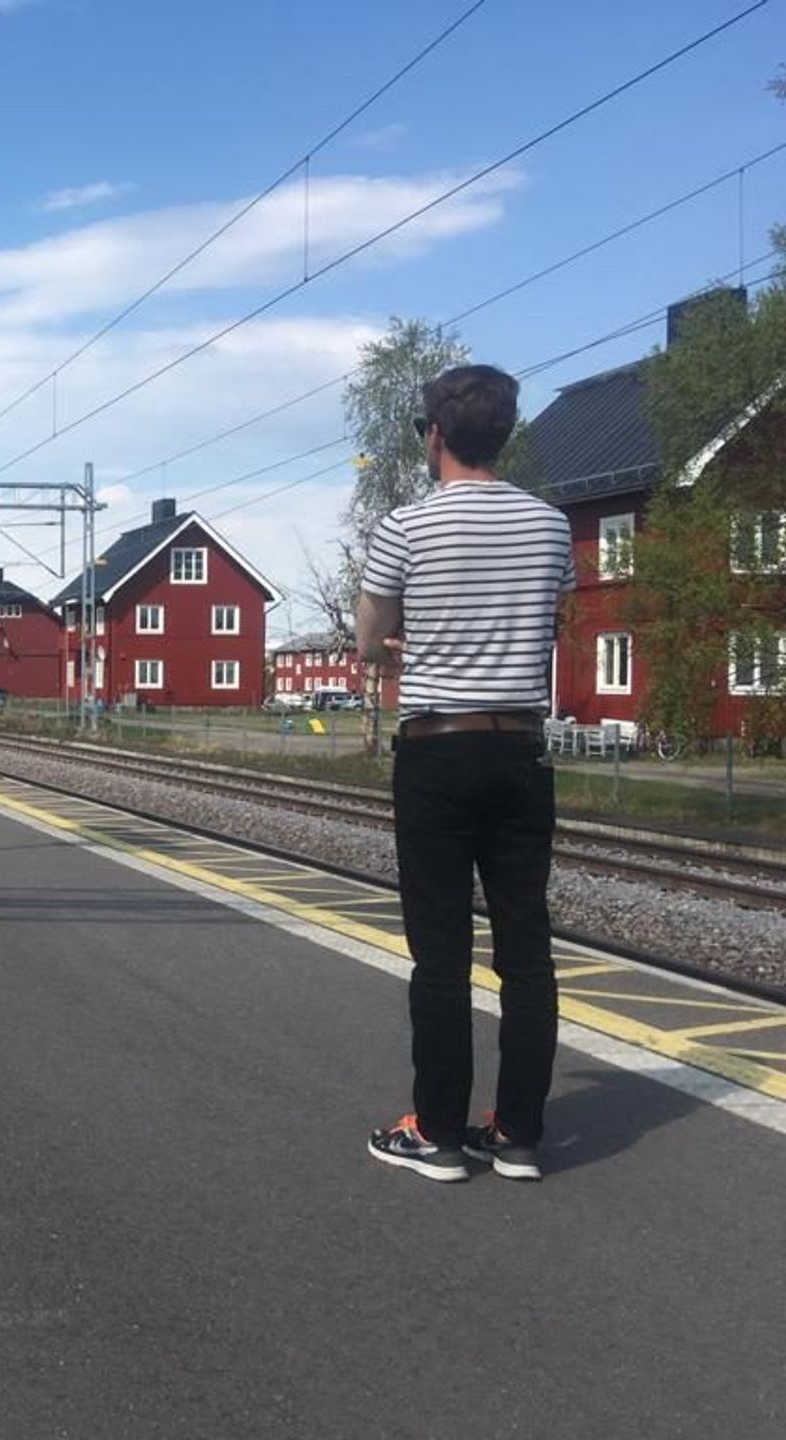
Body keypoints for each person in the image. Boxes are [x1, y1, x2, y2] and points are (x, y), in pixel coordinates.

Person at [357, 364, 574, 1184]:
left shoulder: (405, 527)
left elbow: (371, 638)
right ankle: (517, 1133)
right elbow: (547, 617)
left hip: (438, 751)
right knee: (526, 949)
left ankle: (439, 1134)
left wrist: (402, 645)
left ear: (434, 435)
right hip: (522, 749)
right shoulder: (551, 527)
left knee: (440, 951)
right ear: (505, 435)